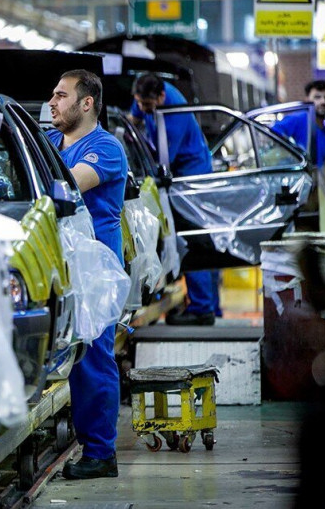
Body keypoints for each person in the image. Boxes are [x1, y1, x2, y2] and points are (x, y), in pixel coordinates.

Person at [45, 69, 127, 480]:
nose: (52, 102)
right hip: (56, 261)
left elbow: (70, 185)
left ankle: (100, 453)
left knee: (92, 358)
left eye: (61, 95)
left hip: (94, 267)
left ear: (87, 103)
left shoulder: (105, 148)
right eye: (53, 95)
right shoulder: (48, 142)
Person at [131, 72, 219, 326]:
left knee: (193, 238)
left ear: (161, 97)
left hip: (192, 174)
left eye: (148, 105)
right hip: (176, 173)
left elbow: (163, 161)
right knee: (191, 239)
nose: (143, 109)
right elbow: (133, 118)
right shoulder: (144, 92)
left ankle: (203, 309)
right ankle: (209, 305)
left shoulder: (175, 113)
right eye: (140, 103)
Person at [272, 79, 325, 168]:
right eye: (317, 97)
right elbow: (272, 134)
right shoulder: (298, 119)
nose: (323, 102)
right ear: (307, 100)